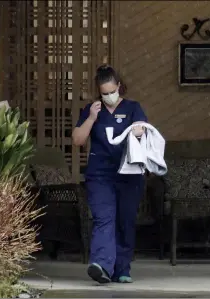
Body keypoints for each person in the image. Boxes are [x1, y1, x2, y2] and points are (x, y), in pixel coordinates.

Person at [72, 65, 147, 284]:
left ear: (119, 87)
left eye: (111, 92)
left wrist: (138, 130)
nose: (108, 97)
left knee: (125, 221)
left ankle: (122, 269)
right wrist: (91, 118)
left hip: (129, 174)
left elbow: (143, 130)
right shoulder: (92, 109)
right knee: (103, 219)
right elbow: (77, 140)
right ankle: (102, 265)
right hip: (100, 175)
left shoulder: (133, 108)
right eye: (104, 93)